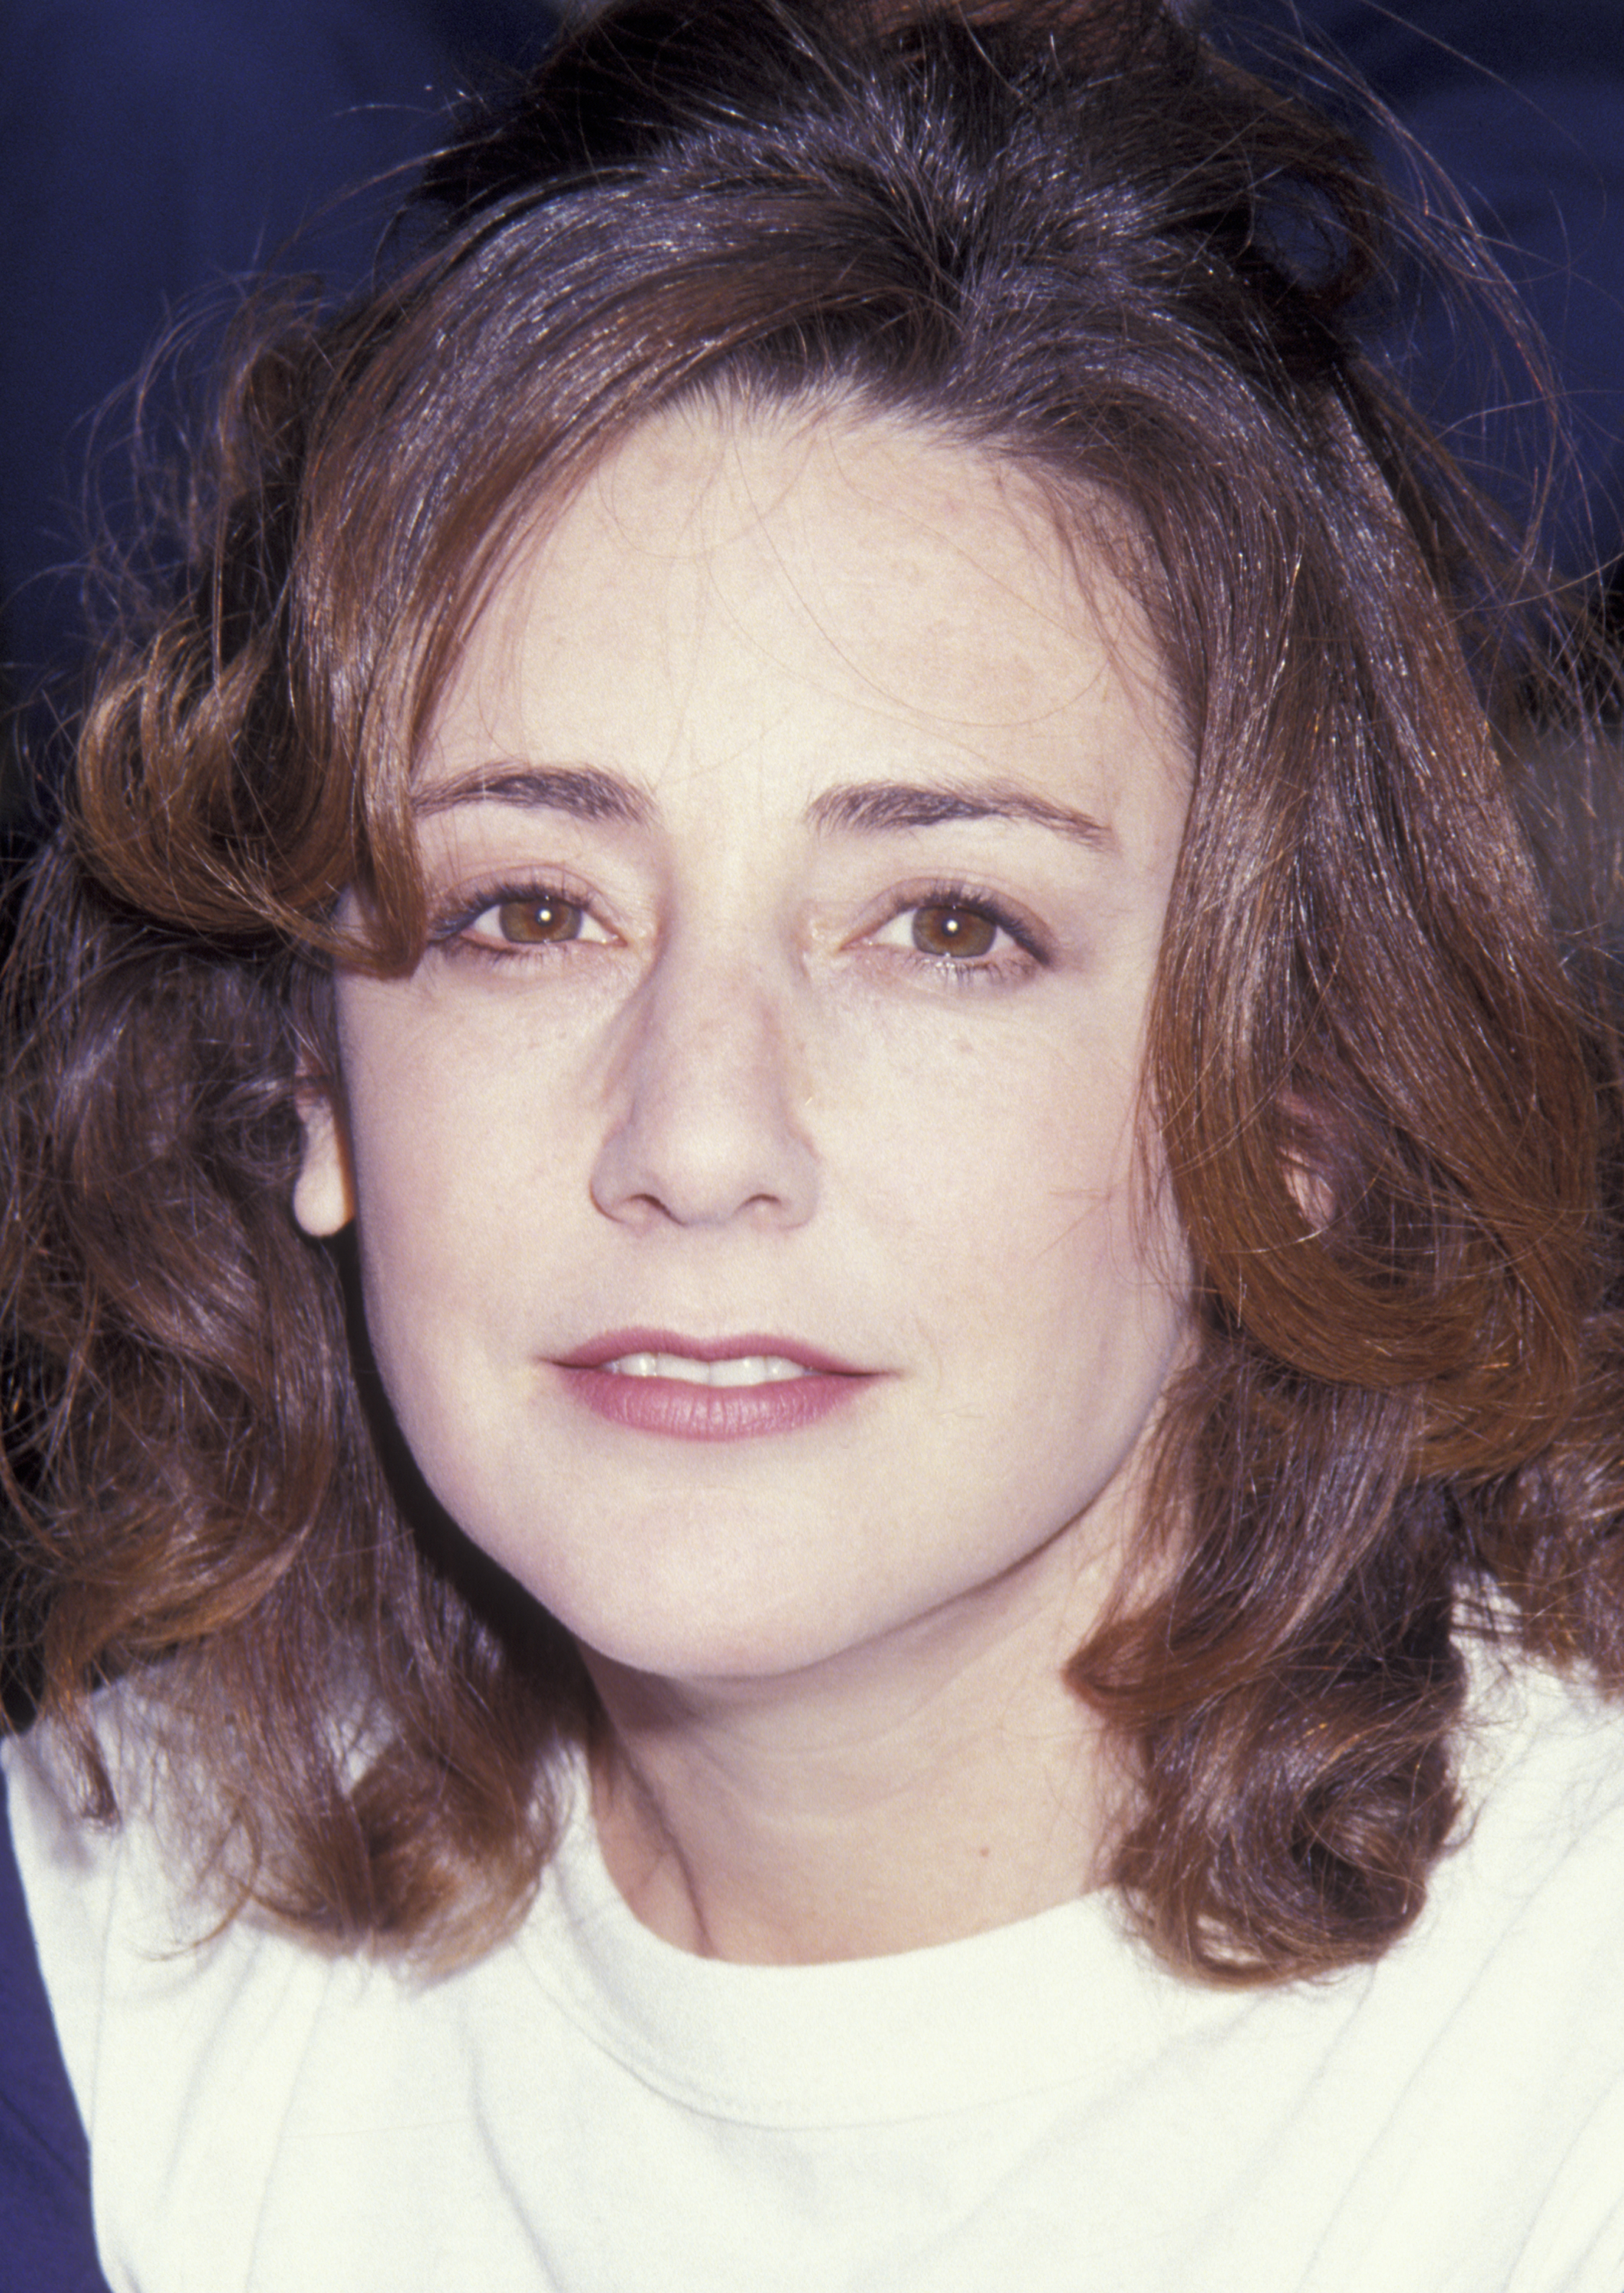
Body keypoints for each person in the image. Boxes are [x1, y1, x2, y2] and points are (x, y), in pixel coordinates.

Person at [2, 1, 1623, 2285]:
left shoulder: (1569, 2063)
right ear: (310, 1082)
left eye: (949, 928)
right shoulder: (101, 1952)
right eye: (528, 912)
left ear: (1301, 1099)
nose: (696, 1136)